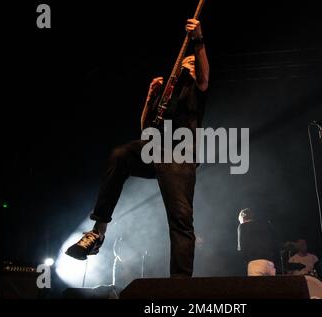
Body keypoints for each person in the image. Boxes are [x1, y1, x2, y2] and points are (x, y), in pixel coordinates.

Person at [65, 18, 210, 279]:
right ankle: (98, 231)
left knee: (180, 220)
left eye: (192, 63)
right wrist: (149, 98)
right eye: (185, 63)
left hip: (180, 155)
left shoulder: (196, 91)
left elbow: (203, 78)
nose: (188, 66)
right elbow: (146, 128)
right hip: (154, 148)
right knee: (120, 154)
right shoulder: (169, 95)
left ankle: (180, 283)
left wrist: (198, 41)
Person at [237, 208, 276, 276]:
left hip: (255, 263)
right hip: (270, 263)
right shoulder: (266, 225)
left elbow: (242, 248)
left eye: (240, 220)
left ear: (242, 217)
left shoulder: (243, 226)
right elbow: (274, 243)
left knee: (256, 286)